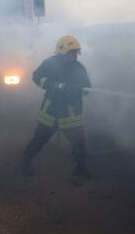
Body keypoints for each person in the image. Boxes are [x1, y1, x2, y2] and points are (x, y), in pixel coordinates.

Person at [21, 35, 92, 179]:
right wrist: (54, 85)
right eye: (72, 52)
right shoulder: (50, 63)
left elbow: (87, 87)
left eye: (76, 52)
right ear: (63, 52)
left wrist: (81, 90)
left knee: (79, 142)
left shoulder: (79, 68)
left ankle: (81, 168)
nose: (75, 56)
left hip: (70, 113)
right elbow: (37, 77)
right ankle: (25, 162)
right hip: (51, 111)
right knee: (39, 139)